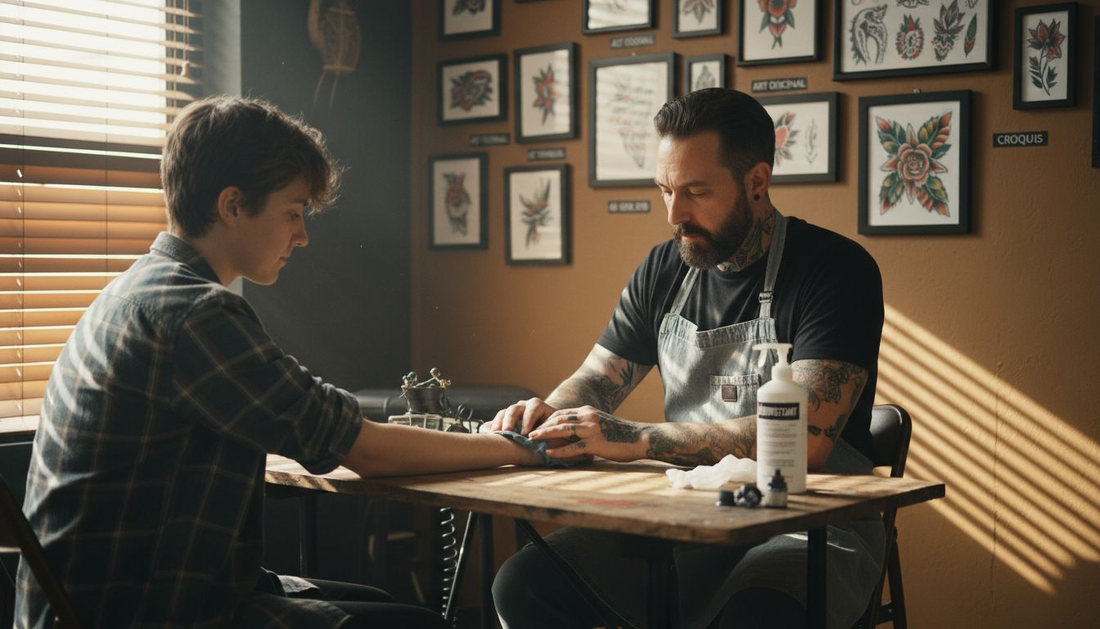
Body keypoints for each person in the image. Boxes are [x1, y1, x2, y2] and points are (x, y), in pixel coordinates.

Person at [15, 95, 548, 629]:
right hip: (150, 612)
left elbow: (322, 424)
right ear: (232, 206)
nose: (302, 235)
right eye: (293, 212)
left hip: (97, 602)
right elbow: (361, 448)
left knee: (387, 607)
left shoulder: (130, 292)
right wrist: (519, 449)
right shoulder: (196, 312)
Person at [489, 88, 886, 629]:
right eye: (665, 190)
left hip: (806, 522)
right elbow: (597, 380)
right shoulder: (663, 269)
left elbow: (805, 441)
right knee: (526, 584)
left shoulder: (836, 270)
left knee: (756, 616)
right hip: (688, 515)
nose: (675, 213)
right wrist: (546, 414)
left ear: (756, 181)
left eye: (696, 192)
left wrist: (633, 438)